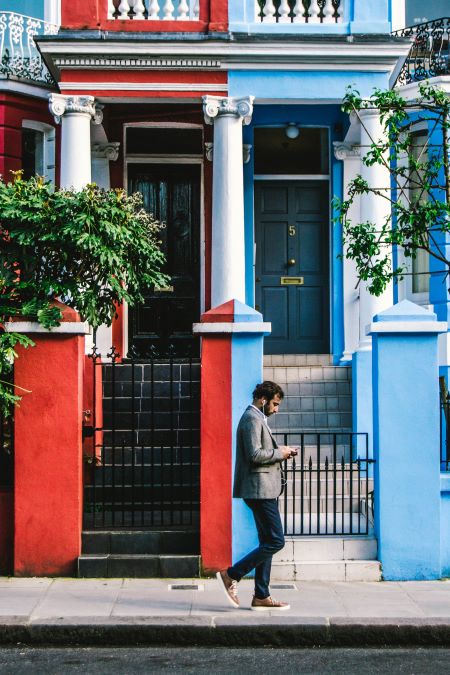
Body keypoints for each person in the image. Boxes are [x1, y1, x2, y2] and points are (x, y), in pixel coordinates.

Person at [216, 381, 298, 611]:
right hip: (258, 490)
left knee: (267, 541)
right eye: (274, 404)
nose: (276, 409)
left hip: (263, 489)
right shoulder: (251, 418)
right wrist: (279, 453)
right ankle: (231, 574)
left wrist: (281, 452)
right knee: (276, 540)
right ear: (263, 399)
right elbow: (254, 454)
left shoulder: (257, 418)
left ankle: (261, 595)